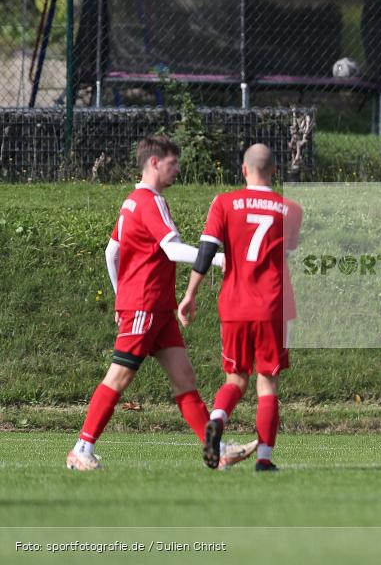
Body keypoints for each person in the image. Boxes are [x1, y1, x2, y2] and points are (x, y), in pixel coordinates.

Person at [66, 136, 256, 471]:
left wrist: (120, 297)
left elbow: (111, 252)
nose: (177, 169)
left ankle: (218, 450)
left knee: (184, 378)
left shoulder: (132, 201)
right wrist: (217, 258)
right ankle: (82, 449)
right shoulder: (149, 201)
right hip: (144, 305)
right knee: (119, 376)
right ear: (154, 162)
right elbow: (171, 249)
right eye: (173, 163)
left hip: (157, 309)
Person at [178, 144, 302, 472]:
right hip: (273, 305)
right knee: (267, 382)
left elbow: (206, 251)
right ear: (275, 170)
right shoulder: (291, 209)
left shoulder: (224, 202)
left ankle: (218, 418)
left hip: (235, 304)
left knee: (236, 378)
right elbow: (288, 250)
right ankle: (264, 459)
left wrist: (190, 294)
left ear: (244, 170)